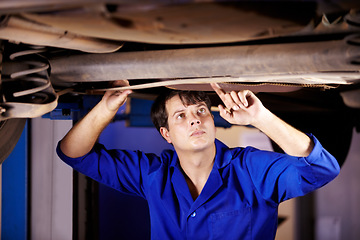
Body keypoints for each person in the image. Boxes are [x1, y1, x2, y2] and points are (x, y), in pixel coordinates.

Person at [57, 82, 340, 240]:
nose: (194, 118)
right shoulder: (153, 175)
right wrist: (106, 108)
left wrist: (259, 118)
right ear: (166, 134)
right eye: (181, 115)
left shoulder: (249, 169)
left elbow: (322, 168)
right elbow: (73, 152)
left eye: (201, 110)